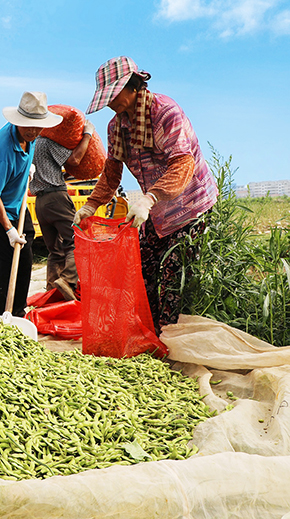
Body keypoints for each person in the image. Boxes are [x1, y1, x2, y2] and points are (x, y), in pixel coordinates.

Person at [73, 56, 218, 333]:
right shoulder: (117, 127)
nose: (110, 104)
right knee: (143, 269)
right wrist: (91, 205)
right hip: (155, 210)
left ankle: (170, 340)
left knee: (174, 276)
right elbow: (112, 171)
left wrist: (149, 199)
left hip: (190, 208)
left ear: (133, 86)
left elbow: (182, 163)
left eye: (114, 95)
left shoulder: (165, 113)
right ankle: (148, 333)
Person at [0, 91, 62, 316]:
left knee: (25, 261)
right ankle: (2, 315)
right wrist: (9, 230)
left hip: (17, 205)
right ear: (18, 122)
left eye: (37, 127)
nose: (33, 131)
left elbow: (25, 154)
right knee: (4, 269)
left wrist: (27, 172)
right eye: (28, 127)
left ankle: (19, 312)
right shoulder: (2, 149)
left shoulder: (31, 138)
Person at [29, 118, 96, 301]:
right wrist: (87, 134)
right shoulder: (47, 142)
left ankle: (52, 292)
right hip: (56, 197)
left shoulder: (31, 143)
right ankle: (67, 280)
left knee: (55, 250)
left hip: (40, 202)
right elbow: (75, 159)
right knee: (76, 241)